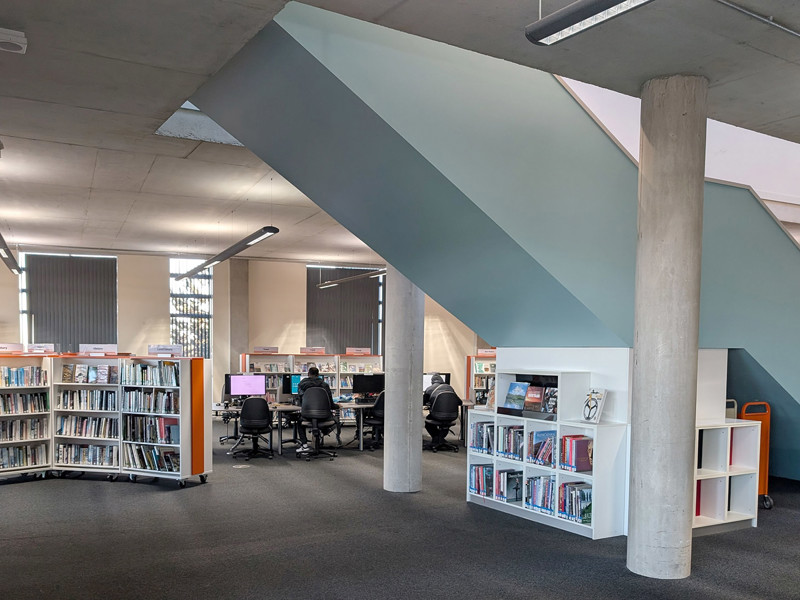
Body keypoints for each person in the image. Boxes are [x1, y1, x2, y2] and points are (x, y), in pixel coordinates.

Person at [296, 366, 340, 454]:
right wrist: (337, 406)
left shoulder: (302, 384)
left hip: (307, 416)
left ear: (308, 374)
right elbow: (330, 404)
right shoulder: (325, 385)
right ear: (318, 375)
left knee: (299, 421)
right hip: (324, 416)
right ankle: (324, 431)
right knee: (336, 419)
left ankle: (304, 445)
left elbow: (301, 401)